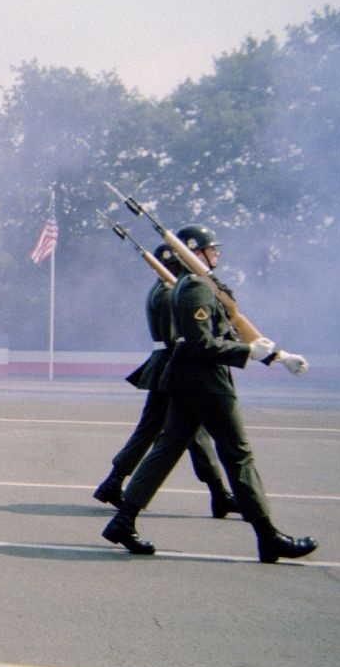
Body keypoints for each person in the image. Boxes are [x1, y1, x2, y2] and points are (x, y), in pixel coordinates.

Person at [102, 225, 317, 563]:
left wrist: (275, 355)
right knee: (238, 455)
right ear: (195, 252)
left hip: (189, 380)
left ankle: (123, 520)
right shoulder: (196, 289)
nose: (217, 253)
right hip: (206, 383)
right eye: (211, 249)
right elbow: (203, 343)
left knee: (167, 449)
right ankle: (268, 536)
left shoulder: (197, 285)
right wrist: (249, 354)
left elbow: (231, 325)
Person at [92, 244, 240, 517]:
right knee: (179, 433)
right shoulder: (171, 292)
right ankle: (219, 494)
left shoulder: (162, 289)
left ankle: (219, 494)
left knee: (180, 432)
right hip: (174, 366)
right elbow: (185, 336)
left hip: (167, 365)